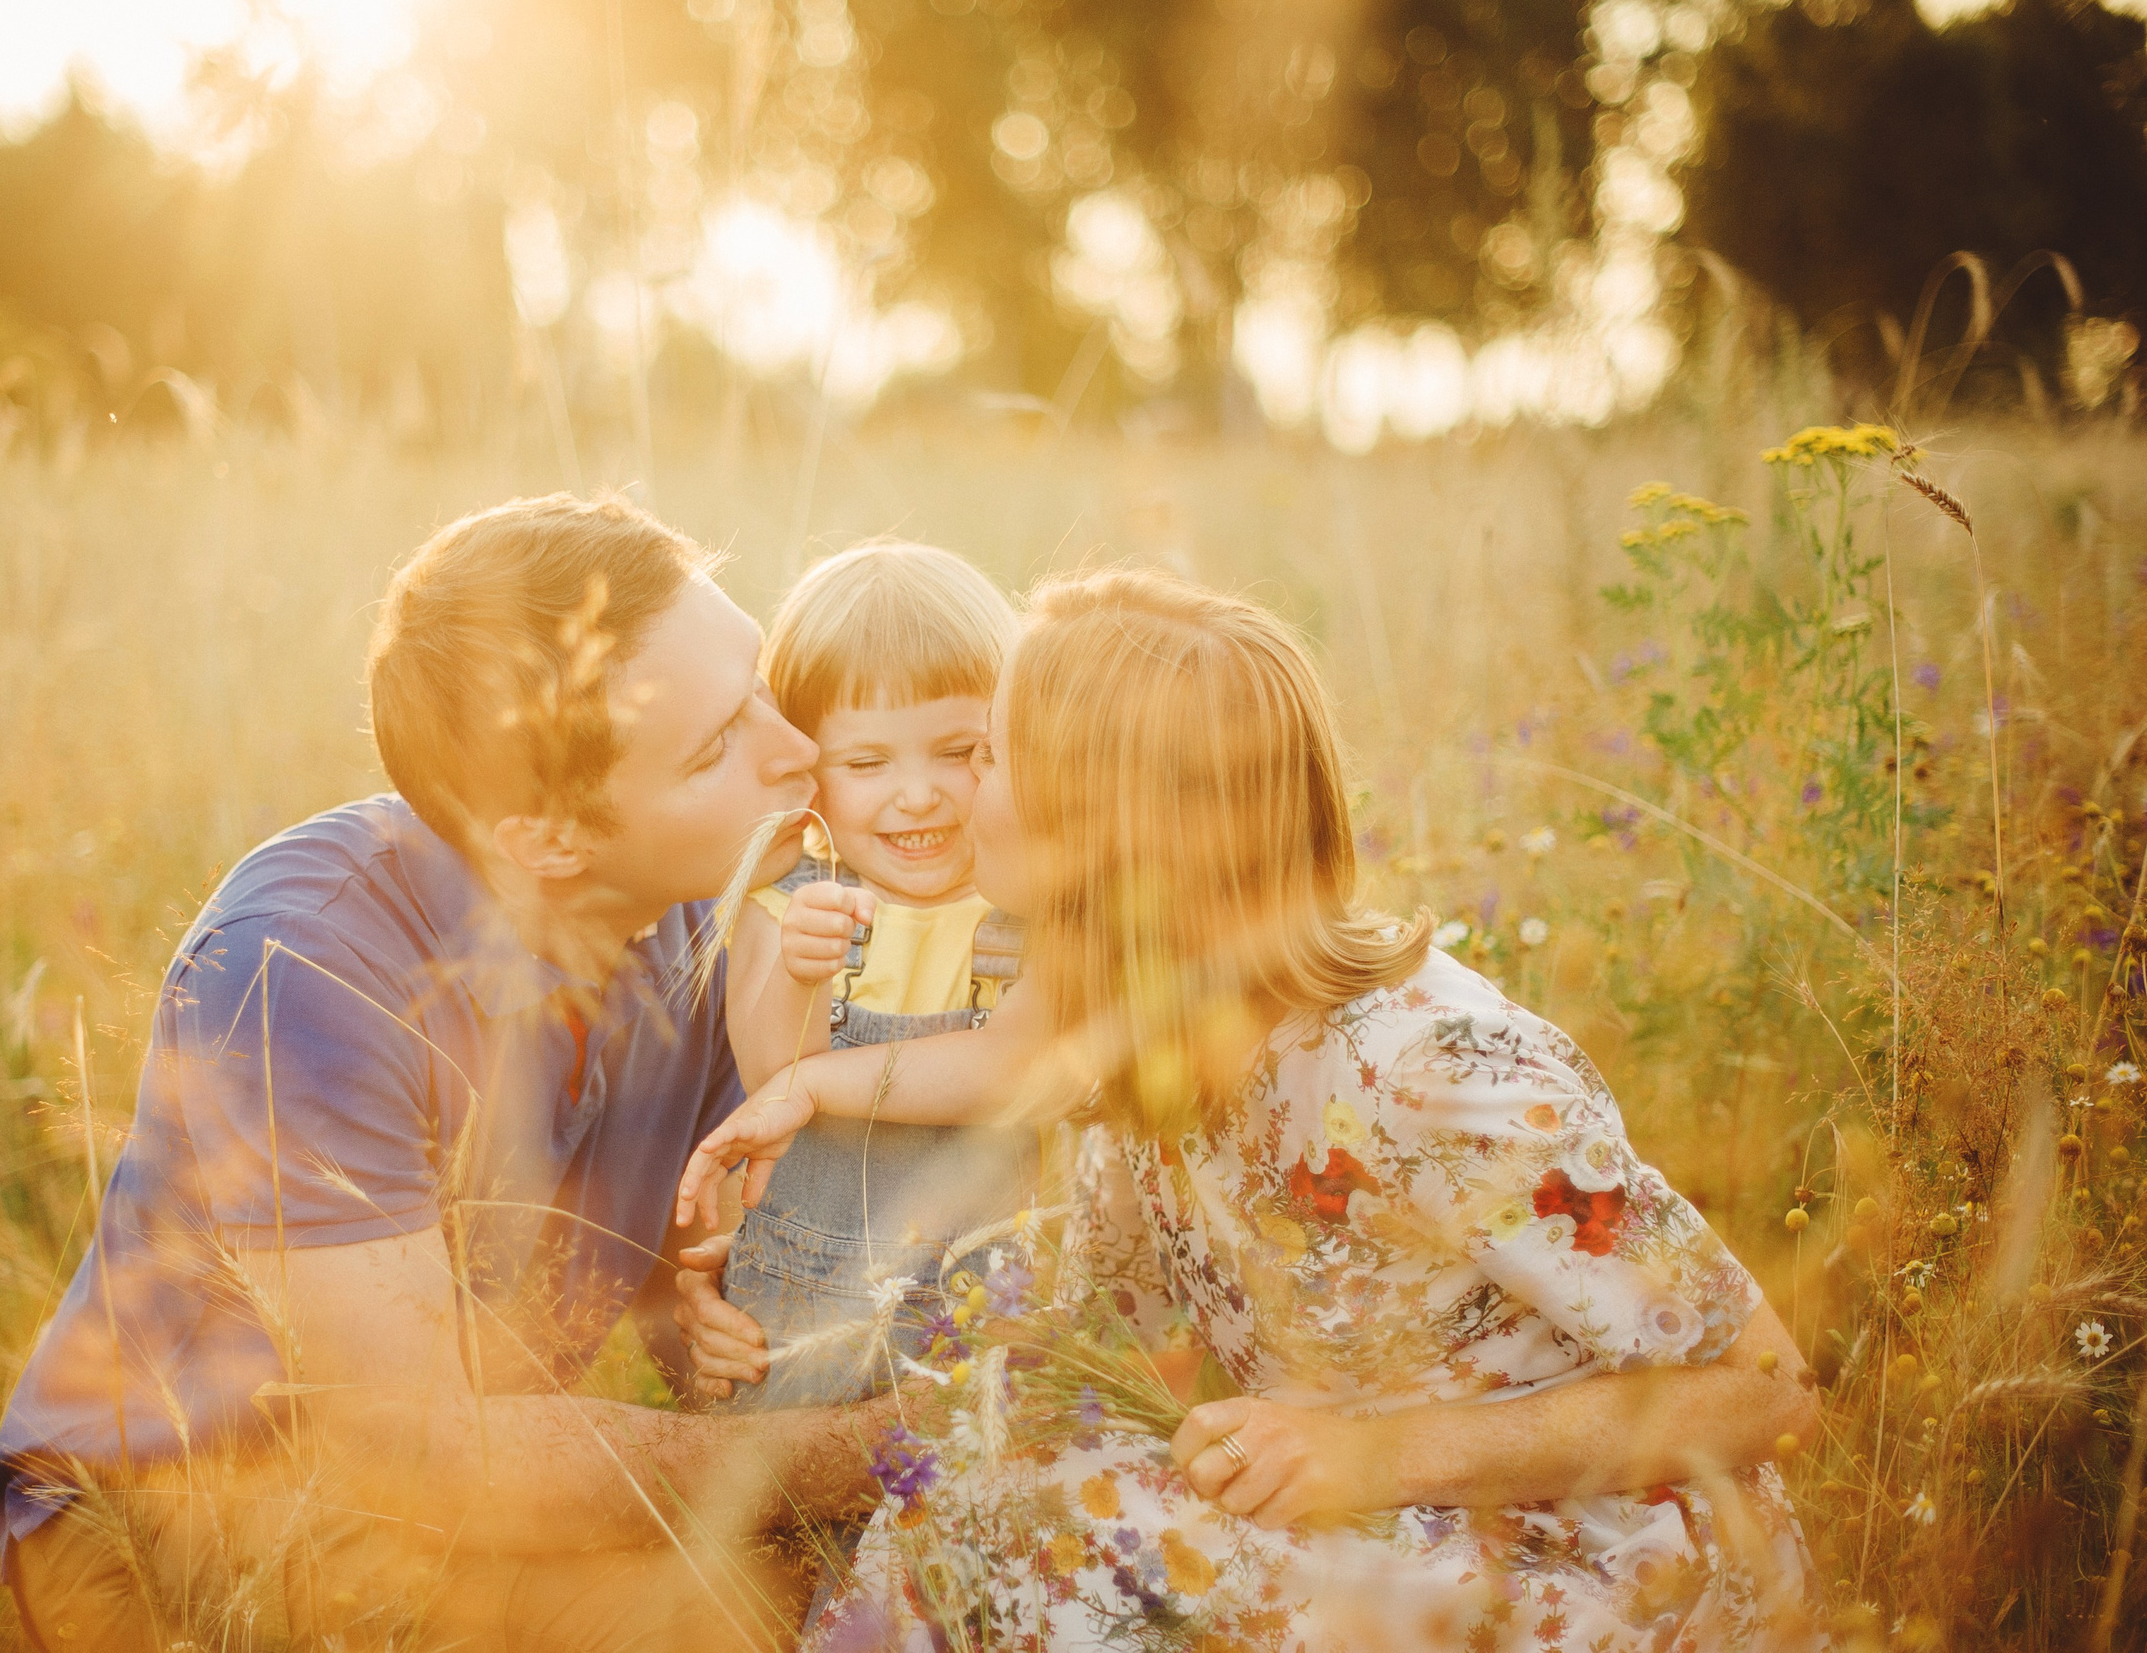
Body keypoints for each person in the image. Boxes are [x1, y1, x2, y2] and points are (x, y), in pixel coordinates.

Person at [680, 570, 1824, 1649]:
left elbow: (1766, 1395)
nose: (959, 791)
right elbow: (1076, 1331)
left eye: (989, 754)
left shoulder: (1428, 1068)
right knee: (990, 1478)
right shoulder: (1157, 1028)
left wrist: (1374, 1456)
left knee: (1022, 1525)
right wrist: (780, 1287)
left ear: (1103, 821)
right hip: (1376, 1521)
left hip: (1585, 1560)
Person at [0, 493, 889, 1653]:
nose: (797, 749)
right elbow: (425, 1460)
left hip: (454, 1488)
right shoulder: (304, 970)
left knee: (868, 1585)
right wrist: (872, 1449)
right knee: (749, 1621)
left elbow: (701, 1290)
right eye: (717, 747)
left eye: (757, 680)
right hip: (181, 1522)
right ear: (548, 840)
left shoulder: (706, 915)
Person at [719, 541, 1042, 1407]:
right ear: (810, 772)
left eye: (958, 751)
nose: (919, 795)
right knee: (782, 1478)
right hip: (809, 1294)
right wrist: (799, 975)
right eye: (867, 764)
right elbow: (770, 1075)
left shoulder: (1028, 907)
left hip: (996, 1295)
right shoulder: (789, 899)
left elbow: (1025, 1069)